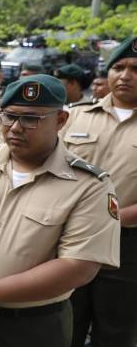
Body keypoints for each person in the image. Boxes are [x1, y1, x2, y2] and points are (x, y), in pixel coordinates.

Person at [0, 74, 121, 347]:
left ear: (60, 121)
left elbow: (80, 265)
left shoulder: (89, 185)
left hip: (35, 324)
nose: (16, 128)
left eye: (31, 119)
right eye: (8, 116)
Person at [62, 36, 137, 347]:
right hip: (69, 240)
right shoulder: (74, 116)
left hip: (127, 246)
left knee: (116, 330)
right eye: (118, 67)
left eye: (135, 69)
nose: (125, 75)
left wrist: (107, 218)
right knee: (67, 324)